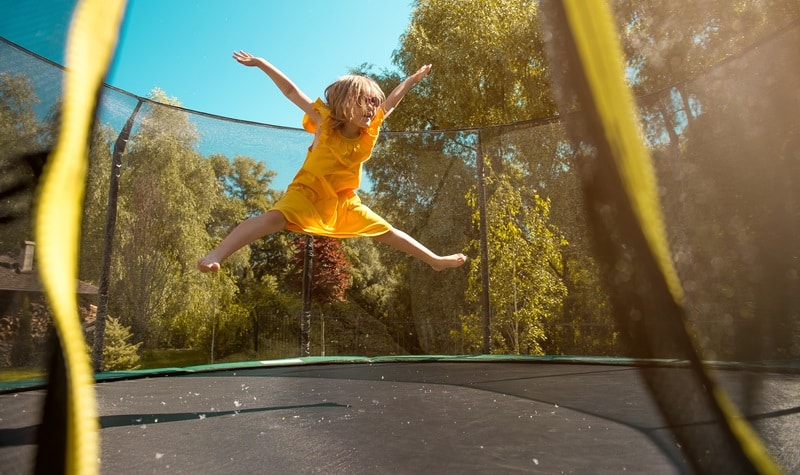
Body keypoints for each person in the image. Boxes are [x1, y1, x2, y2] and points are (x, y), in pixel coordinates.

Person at [197, 51, 466, 273]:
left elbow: (392, 103)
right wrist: (261, 64)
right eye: (366, 101)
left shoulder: (369, 132)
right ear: (345, 103)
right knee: (272, 220)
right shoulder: (323, 121)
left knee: (384, 230)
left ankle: (434, 261)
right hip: (307, 192)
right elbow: (291, 92)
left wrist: (411, 80)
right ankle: (217, 253)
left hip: (342, 199)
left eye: (375, 102)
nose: (373, 108)